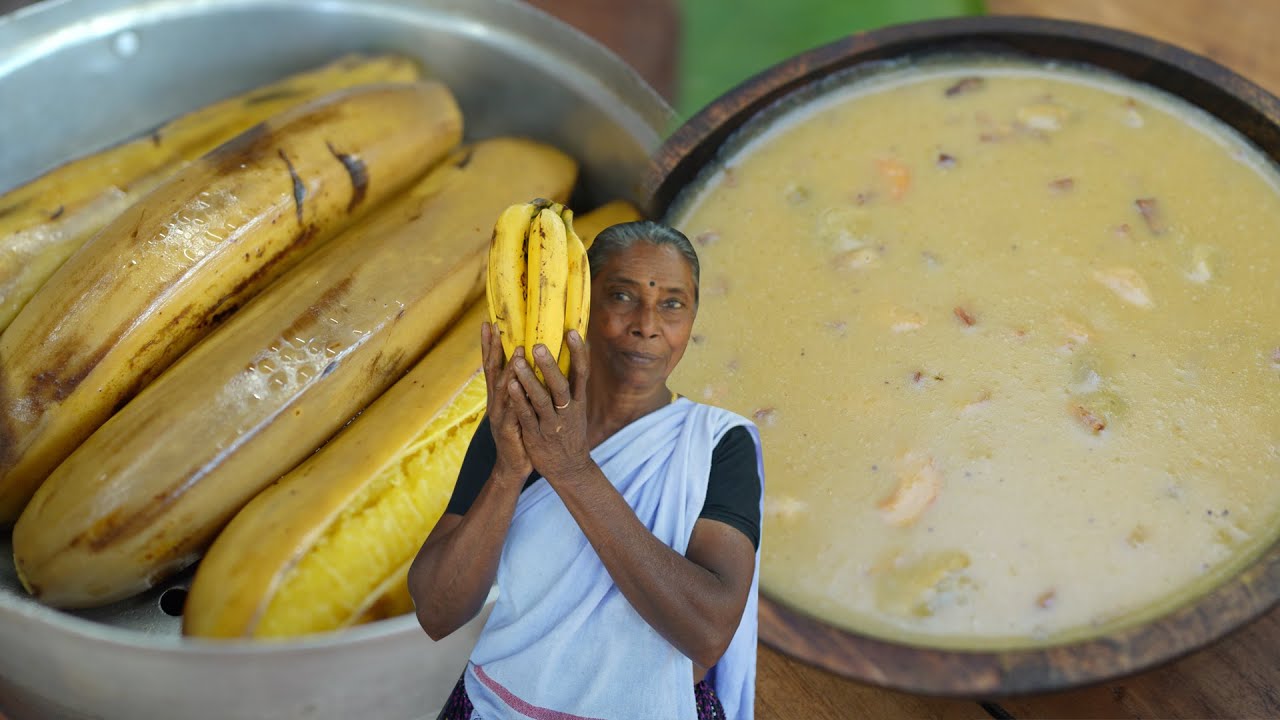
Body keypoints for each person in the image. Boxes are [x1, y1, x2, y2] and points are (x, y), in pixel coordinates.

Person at [409, 220, 764, 720]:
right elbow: (437, 613)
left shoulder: (716, 443)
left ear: (692, 320)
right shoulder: (520, 423)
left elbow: (707, 631)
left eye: (672, 304)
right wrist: (508, 473)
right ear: (579, 306)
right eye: (621, 296)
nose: (647, 323)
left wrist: (573, 471)